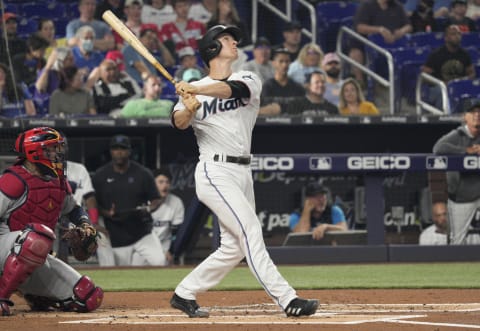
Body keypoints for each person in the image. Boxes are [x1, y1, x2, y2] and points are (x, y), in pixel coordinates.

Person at [170, 24, 318, 318]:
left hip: (242, 171)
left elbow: (231, 90)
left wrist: (195, 88)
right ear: (212, 48)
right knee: (251, 231)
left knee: (234, 247)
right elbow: (179, 122)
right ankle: (287, 298)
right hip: (214, 170)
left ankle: (184, 292)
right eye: (227, 39)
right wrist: (188, 106)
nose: (234, 42)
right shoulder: (193, 91)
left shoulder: (247, 77)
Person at [0, 127, 103, 316]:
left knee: (87, 295)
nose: (58, 154)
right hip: (5, 247)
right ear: (35, 152)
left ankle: (34, 292)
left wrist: (85, 224)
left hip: (32, 253)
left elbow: (74, 209)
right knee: (35, 239)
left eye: (57, 148)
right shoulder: (12, 180)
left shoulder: (58, 181)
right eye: (52, 149)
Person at [92, 134, 167, 266]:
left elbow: (156, 199)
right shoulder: (100, 176)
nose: (119, 152)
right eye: (115, 149)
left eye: (123, 148)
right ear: (111, 151)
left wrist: (147, 209)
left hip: (142, 232)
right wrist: (105, 213)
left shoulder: (143, 173)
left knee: (159, 261)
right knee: (118, 273)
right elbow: (93, 203)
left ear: (129, 151)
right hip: (116, 234)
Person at [432, 97, 480, 245]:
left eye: (479, 112)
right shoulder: (458, 135)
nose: (477, 115)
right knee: (457, 240)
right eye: (472, 112)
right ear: (464, 117)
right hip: (462, 196)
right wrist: (466, 151)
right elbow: (438, 148)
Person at [349, 0, 412, 83]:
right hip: (370, 43)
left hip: (394, 43)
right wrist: (379, 30)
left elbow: (408, 26)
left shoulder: (397, 6)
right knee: (356, 51)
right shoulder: (366, 5)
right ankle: (360, 81)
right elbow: (360, 27)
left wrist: (401, 31)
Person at [421, 24, 475, 109]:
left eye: (459, 34)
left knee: (471, 95)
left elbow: (471, 73)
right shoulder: (436, 55)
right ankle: (445, 119)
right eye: (453, 34)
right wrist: (442, 83)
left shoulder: (465, 54)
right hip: (440, 87)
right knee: (443, 95)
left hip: (459, 87)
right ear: (446, 38)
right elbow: (424, 76)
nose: (457, 36)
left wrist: (463, 81)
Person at [151, 167, 184, 265]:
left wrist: (171, 251)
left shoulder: (176, 202)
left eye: (167, 182)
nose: (164, 185)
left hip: (165, 246)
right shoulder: (144, 200)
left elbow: (176, 231)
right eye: (160, 182)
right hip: (145, 245)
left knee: (162, 261)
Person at [259, 48, 305, 116]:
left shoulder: (298, 87)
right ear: (274, 63)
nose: (284, 65)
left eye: (287, 61)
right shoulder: (267, 86)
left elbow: (302, 107)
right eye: (281, 61)